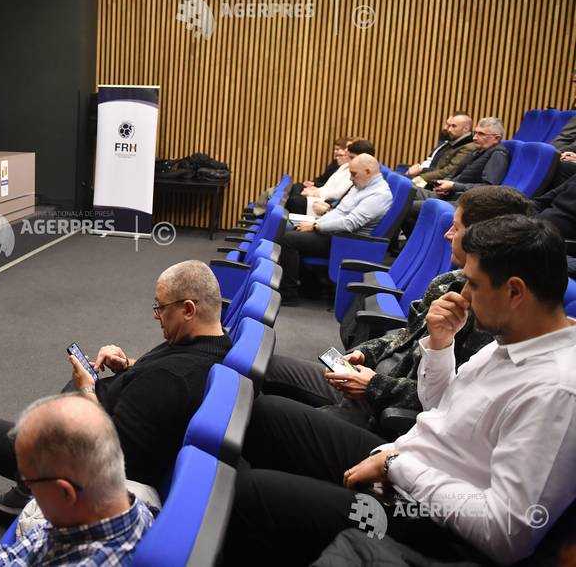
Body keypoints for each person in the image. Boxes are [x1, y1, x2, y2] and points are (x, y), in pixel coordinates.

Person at [220, 215, 576, 566]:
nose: (464, 294)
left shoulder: (557, 390)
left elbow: (505, 532)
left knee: (249, 495)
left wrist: (395, 466)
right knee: (267, 417)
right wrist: (440, 344)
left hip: (429, 522)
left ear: (515, 291)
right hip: (406, 460)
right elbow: (438, 407)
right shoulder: (511, 340)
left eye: (474, 284)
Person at [0, 260, 230, 564]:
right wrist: (130, 366)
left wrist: (88, 388)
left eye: (160, 307)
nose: (156, 315)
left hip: (77, 456)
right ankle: (26, 490)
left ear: (188, 309)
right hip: (92, 423)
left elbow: (108, 452)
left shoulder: (173, 379)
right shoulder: (205, 344)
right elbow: (156, 383)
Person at [263, 186, 535, 433]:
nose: (447, 235)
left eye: (457, 227)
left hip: (387, 415)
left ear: (483, 236)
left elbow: (449, 400)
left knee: (269, 417)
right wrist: (365, 352)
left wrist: (373, 387)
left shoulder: (495, 314)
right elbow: (406, 335)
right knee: (265, 367)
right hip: (372, 383)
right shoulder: (448, 283)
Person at [0, 394, 155, 567]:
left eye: (29, 481)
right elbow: (34, 545)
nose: (26, 488)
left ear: (65, 493)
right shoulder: (120, 506)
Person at [280, 154, 393, 303]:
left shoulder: (379, 195)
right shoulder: (361, 186)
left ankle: (290, 294)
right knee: (291, 229)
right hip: (337, 235)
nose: (351, 179)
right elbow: (339, 212)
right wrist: (316, 222)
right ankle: (309, 289)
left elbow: (350, 223)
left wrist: (315, 226)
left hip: (348, 242)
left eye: (353, 174)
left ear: (368, 171)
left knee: (289, 239)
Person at [425, 117, 508, 200]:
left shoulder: (498, 154)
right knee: (412, 191)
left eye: (481, 134)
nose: (474, 138)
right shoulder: (477, 150)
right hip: (449, 195)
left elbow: (488, 188)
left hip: (463, 202)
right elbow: (458, 175)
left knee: (413, 201)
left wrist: (454, 186)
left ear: (496, 138)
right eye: (475, 133)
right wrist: (447, 186)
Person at [287, 139, 374, 217]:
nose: (348, 158)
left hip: (329, 208)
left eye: (352, 157)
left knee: (294, 201)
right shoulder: (349, 167)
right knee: (295, 194)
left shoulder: (361, 176)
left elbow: (341, 199)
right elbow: (331, 187)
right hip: (330, 209)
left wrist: (325, 212)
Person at [405, 112, 476, 184]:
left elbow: (448, 171)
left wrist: (420, 177)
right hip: (430, 175)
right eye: (449, 125)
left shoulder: (467, 147)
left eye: (454, 126)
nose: (449, 129)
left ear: (466, 129)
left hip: (438, 183)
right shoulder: (453, 140)